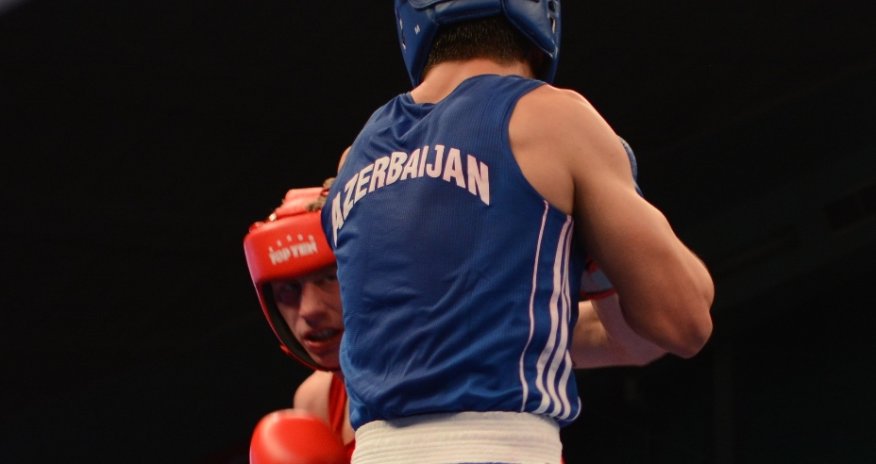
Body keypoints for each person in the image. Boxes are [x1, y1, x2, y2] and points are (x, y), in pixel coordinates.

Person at [321, 1, 715, 462]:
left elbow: (495, 332)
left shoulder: (355, 158)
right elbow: (686, 323)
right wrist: (601, 241)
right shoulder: (553, 117)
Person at [243, 186, 354, 464]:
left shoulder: (440, 371)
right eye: (288, 289)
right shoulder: (315, 399)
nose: (310, 310)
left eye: (329, 278)